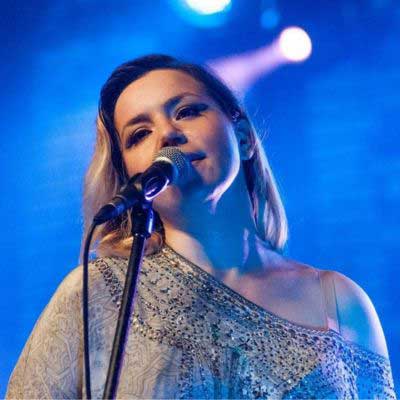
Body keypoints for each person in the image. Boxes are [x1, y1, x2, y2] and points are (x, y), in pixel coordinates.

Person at [6, 54, 396, 399]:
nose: (166, 135)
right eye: (140, 134)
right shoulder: (99, 292)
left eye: (187, 111)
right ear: (129, 177)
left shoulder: (339, 301)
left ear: (244, 138)